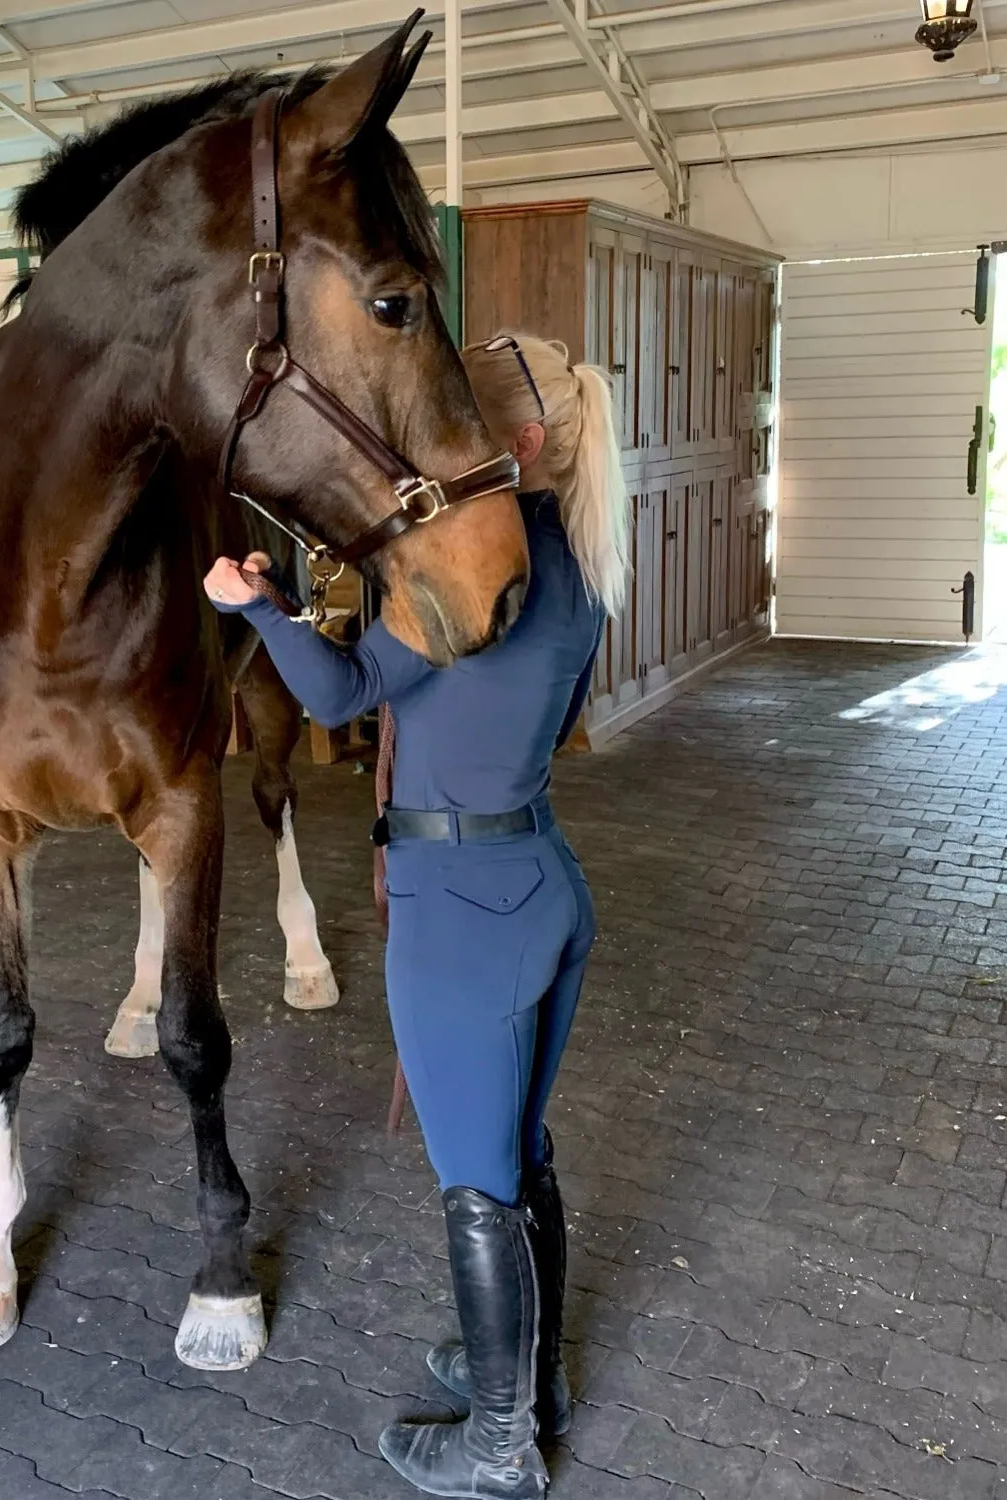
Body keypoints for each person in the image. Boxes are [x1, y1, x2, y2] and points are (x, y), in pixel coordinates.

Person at [204, 332, 628, 1498]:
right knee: (522, 1155)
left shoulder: (464, 577)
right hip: (541, 883)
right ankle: (528, 1381)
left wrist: (257, 605)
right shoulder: (583, 560)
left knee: (477, 1184)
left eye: (461, 427)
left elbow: (342, 693)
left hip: (461, 913)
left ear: (523, 446)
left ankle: (499, 1447)